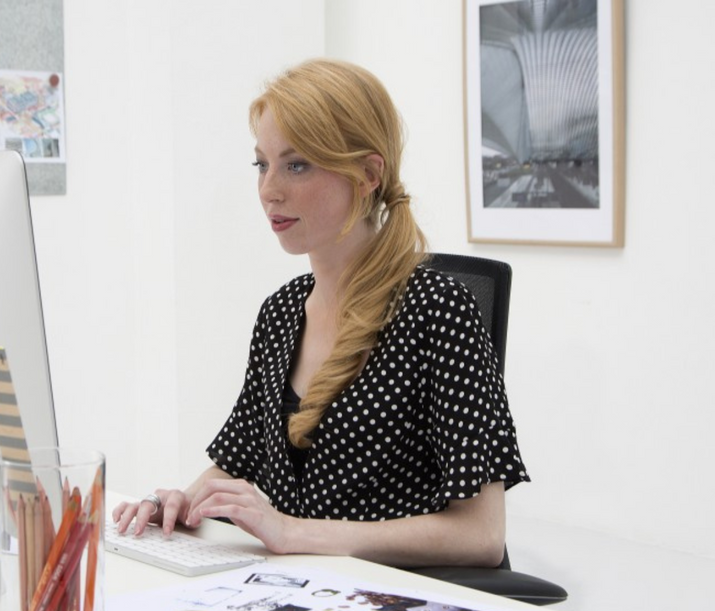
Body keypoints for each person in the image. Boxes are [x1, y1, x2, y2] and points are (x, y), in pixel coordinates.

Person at [112, 58, 529, 568]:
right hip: (292, 587)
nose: (269, 190)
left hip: (389, 592)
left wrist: (295, 533)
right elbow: (235, 461)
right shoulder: (281, 312)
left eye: (297, 164)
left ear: (367, 175)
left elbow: (481, 536)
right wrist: (177, 503)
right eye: (261, 164)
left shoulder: (439, 312)